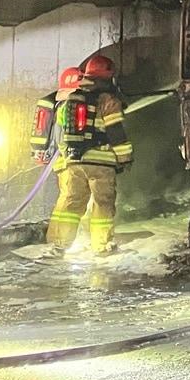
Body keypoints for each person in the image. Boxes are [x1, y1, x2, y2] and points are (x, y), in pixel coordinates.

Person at [45, 54, 132, 256]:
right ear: (108, 76)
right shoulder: (108, 101)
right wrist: (125, 158)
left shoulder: (71, 99)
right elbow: (116, 132)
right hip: (101, 163)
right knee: (103, 203)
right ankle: (102, 245)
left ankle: (59, 245)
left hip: (74, 161)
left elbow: (61, 132)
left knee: (71, 203)